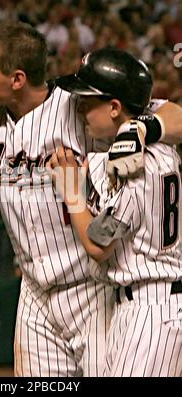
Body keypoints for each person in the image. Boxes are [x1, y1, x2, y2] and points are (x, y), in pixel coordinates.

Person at [0, 22, 182, 377]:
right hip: (33, 293)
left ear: (16, 79)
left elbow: (174, 113)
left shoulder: (79, 105)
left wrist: (143, 127)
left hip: (92, 289)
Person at [48, 48, 182, 377]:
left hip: (153, 308)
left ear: (114, 107)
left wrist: (71, 192)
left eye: (88, 102)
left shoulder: (132, 163)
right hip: (143, 305)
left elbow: (98, 245)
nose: (80, 110)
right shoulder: (157, 141)